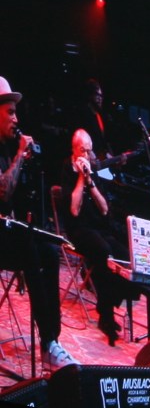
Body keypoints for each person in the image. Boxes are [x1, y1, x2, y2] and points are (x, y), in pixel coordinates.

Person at [0, 76, 77, 371]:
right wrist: (20, 154)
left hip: (10, 235)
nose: (16, 119)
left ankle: (51, 341)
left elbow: (20, 202)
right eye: (10, 112)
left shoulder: (9, 148)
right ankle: (48, 344)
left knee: (48, 249)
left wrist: (27, 163)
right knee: (32, 246)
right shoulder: (8, 151)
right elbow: (3, 190)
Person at [61, 128, 139, 345]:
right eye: (82, 151)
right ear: (73, 150)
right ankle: (106, 314)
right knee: (104, 252)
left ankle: (110, 302)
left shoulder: (94, 170)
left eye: (89, 151)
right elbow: (74, 211)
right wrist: (79, 179)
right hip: (78, 230)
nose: (86, 156)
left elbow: (105, 209)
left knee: (126, 256)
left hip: (99, 229)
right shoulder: (67, 169)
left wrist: (90, 181)